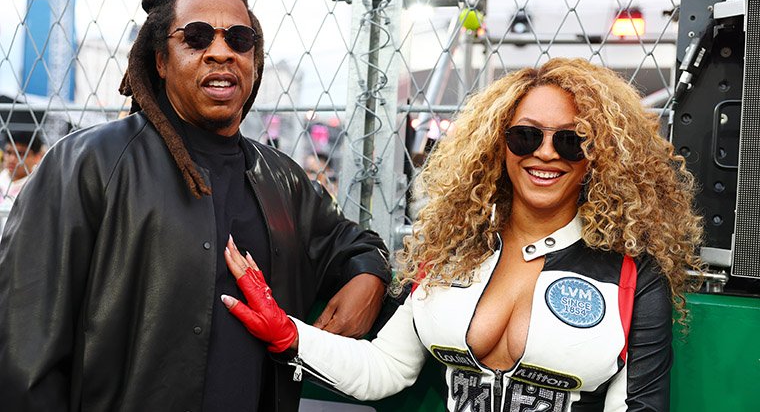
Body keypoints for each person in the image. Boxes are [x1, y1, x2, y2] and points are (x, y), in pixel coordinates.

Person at [0, 0, 390, 411]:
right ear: (160, 61)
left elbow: (354, 243)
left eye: (239, 39)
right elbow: (24, 355)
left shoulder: (282, 179)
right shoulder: (85, 164)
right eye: (197, 37)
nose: (221, 52)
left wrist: (370, 275)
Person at [221, 58, 704, 411]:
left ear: (599, 155)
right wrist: (288, 333)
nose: (546, 153)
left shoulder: (633, 275)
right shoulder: (452, 251)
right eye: (526, 136)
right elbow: (386, 368)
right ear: (498, 144)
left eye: (571, 140)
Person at [0, 130, 45, 202]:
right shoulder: (2, 179)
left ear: (37, 157)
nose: (12, 159)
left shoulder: (40, 188)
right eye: (9, 152)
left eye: (20, 154)